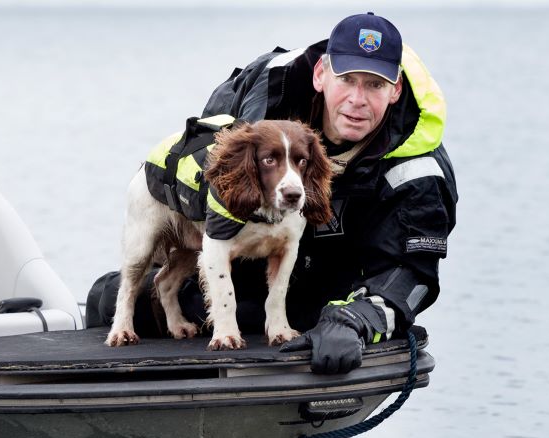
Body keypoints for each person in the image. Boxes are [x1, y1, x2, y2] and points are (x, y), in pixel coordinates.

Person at [86, 12, 458, 375]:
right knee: (108, 296)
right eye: (347, 79)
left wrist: (354, 321)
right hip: (235, 275)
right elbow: (202, 186)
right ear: (320, 75)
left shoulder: (420, 172)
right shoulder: (261, 100)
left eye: (375, 85)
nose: (358, 99)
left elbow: (413, 274)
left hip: (327, 302)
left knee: (315, 321)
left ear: (395, 91)